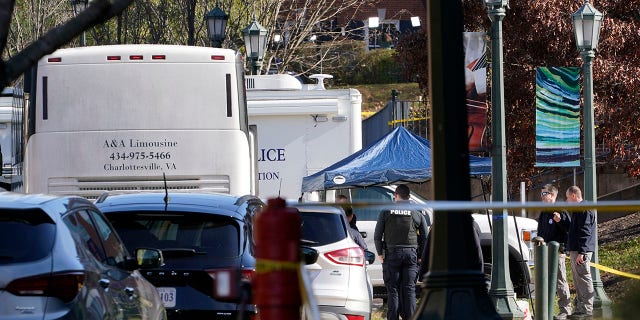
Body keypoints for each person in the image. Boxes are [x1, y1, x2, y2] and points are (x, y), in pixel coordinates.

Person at [374, 184, 428, 320]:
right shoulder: (417, 213)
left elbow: (377, 235)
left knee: (393, 291)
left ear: (395, 196)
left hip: (392, 255)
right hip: (411, 256)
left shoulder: (386, 211)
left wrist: (380, 254)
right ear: (409, 197)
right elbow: (424, 237)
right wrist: (421, 256)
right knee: (409, 290)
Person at [537, 184, 572, 320]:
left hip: (557, 253)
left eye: (544, 193)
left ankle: (565, 310)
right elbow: (541, 232)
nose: (541, 196)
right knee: (544, 282)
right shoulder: (544, 212)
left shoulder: (560, 210)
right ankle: (545, 311)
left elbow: (569, 229)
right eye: (541, 194)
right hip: (544, 253)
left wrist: (560, 221)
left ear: (552, 195)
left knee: (560, 281)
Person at [565, 185, 596, 319]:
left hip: (580, 251)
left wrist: (582, 253)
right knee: (578, 281)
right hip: (576, 250)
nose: (567, 201)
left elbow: (585, 231)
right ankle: (579, 308)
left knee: (583, 279)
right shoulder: (579, 210)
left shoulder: (584, 209)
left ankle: (587, 310)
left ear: (573, 195)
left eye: (567, 198)